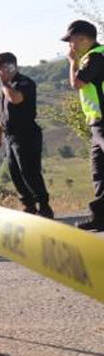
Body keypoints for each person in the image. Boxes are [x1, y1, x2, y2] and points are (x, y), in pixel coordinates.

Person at [0, 52, 53, 218]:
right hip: (10, 136)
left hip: (26, 133)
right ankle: (29, 206)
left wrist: (4, 84)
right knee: (15, 172)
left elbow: (16, 99)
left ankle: (44, 206)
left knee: (29, 171)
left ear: (11, 66)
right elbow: (4, 112)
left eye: (1, 67)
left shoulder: (23, 82)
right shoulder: (7, 86)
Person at [62, 20, 104, 231]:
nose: (71, 46)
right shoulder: (95, 55)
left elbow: (76, 83)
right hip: (96, 122)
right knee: (99, 171)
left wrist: (72, 62)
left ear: (84, 38)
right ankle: (101, 217)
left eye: (72, 41)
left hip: (103, 120)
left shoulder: (95, 57)